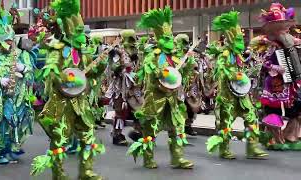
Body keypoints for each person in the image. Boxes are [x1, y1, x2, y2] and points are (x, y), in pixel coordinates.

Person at [30, 0, 105, 179]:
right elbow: (51, 72)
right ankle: (58, 173)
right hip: (61, 104)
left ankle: (85, 171)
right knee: (59, 139)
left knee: (88, 137)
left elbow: (91, 73)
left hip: (80, 104)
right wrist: (66, 79)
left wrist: (101, 66)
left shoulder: (81, 53)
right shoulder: (58, 50)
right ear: (69, 31)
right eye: (79, 31)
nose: (82, 36)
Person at [127, 6, 194, 169]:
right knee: (151, 131)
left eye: (171, 36)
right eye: (167, 37)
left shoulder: (174, 58)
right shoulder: (153, 57)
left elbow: (182, 74)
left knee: (177, 128)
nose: (171, 40)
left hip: (172, 100)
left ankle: (177, 158)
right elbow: (152, 74)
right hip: (155, 100)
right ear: (159, 39)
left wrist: (189, 62)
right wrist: (161, 73)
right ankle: (148, 158)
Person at [206, 11, 268, 160]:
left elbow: (243, 72)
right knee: (226, 123)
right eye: (239, 38)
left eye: (242, 38)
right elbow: (222, 70)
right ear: (231, 39)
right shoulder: (225, 54)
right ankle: (224, 149)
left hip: (241, 95)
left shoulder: (238, 55)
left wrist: (253, 71)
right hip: (227, 96)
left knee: (252, 119)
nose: (242, 41)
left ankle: (252, 148)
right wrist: (235, 75)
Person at [0, 1, 35, 164]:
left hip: (18, 97)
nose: (9, 44)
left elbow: (32, 73)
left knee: (17, 123)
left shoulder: (21, 54)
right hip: (0, 97)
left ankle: (13, 149)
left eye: (11, 40)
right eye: (6, 41)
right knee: (1, 125)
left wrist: (24, 68)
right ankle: (0, 153)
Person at [251, 3, 301, 150]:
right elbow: (264, 63)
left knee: (297, 108)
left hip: (291, 82)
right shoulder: (271, 44)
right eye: (283, 25)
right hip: (276, 83)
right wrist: (276, 68)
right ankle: (273, 139)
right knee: (276, 111)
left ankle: (290, 136)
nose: (286, 28)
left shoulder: (289, 40)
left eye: (287, 25)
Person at [105, 29, 139, 146]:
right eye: (130, 39)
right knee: (120, 112)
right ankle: (117, 135)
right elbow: (113, 67)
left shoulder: (136, 52)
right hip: (120, 88)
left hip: (133, 88)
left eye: (133, 39)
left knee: (139, 110)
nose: (132, 42)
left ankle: (137, 132)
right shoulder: (116, 52)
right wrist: (122, 67)